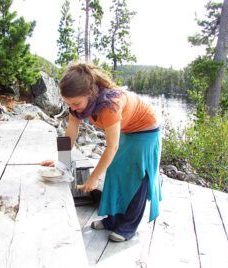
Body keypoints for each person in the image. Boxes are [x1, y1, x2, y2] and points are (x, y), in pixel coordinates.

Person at [41, 62, 162, 242]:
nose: (72, 108)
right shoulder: (78, 103)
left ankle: (128, 227)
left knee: (136, 176)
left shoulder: (109, 106)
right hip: (128, 128)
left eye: (75, 103)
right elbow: (71, 132)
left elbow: (111, 147)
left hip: (146, 130)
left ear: (91, 93)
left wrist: (94, 177)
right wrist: (61, 162)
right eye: (68, 104)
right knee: (115, 172)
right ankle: (112, 220)